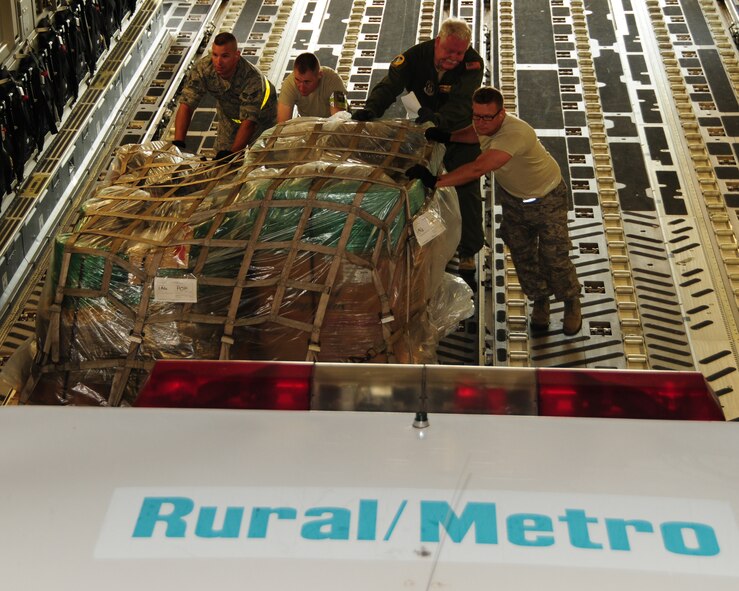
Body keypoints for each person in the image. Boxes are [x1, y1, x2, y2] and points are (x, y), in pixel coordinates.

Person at [406, 86, 582, 335]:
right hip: (514, 200)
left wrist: (435, 181)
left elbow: (479, 168)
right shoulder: (483, 124)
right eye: (476, 115)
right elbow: (475, 133)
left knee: (554, 256)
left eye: (487, 117)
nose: (480, 122)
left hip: (547, 199)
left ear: (502, 114)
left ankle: (570, 301)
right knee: (523, 255)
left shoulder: (515, 134)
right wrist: (449, 136)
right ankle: (540, 301)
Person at [351, 18, 485, 273]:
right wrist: (371, 109)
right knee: (418, 186)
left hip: (458, 134)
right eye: (450, 51)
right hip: (424, 132)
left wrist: (439, 120)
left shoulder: (472, 64)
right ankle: (421, 243)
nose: (456, 58)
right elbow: (390, 84)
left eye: (460, 52)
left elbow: (462, 102)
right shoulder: (414, 57)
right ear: (438, 42)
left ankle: (468, 250)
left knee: (465, 190)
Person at [174, 32, 277, 159]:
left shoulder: (251, 79)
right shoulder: (204, 68)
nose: (219, 62)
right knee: (221, 158)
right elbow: (186, 104)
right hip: (229, 117)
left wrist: (232, 155)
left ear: (236, 56)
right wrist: (178, 143)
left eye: (225, 56)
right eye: (215, 55)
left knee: (259, 159)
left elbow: (249, 123)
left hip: (262, 120)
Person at [277, 52, 348, 122]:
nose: (301, 87)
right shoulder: (289, 84)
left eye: (307, 82)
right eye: (297, 80)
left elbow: (339, 120)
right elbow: (282, 124)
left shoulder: (332, 80)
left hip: (330, 123)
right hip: (308, 124)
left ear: (320, 75)